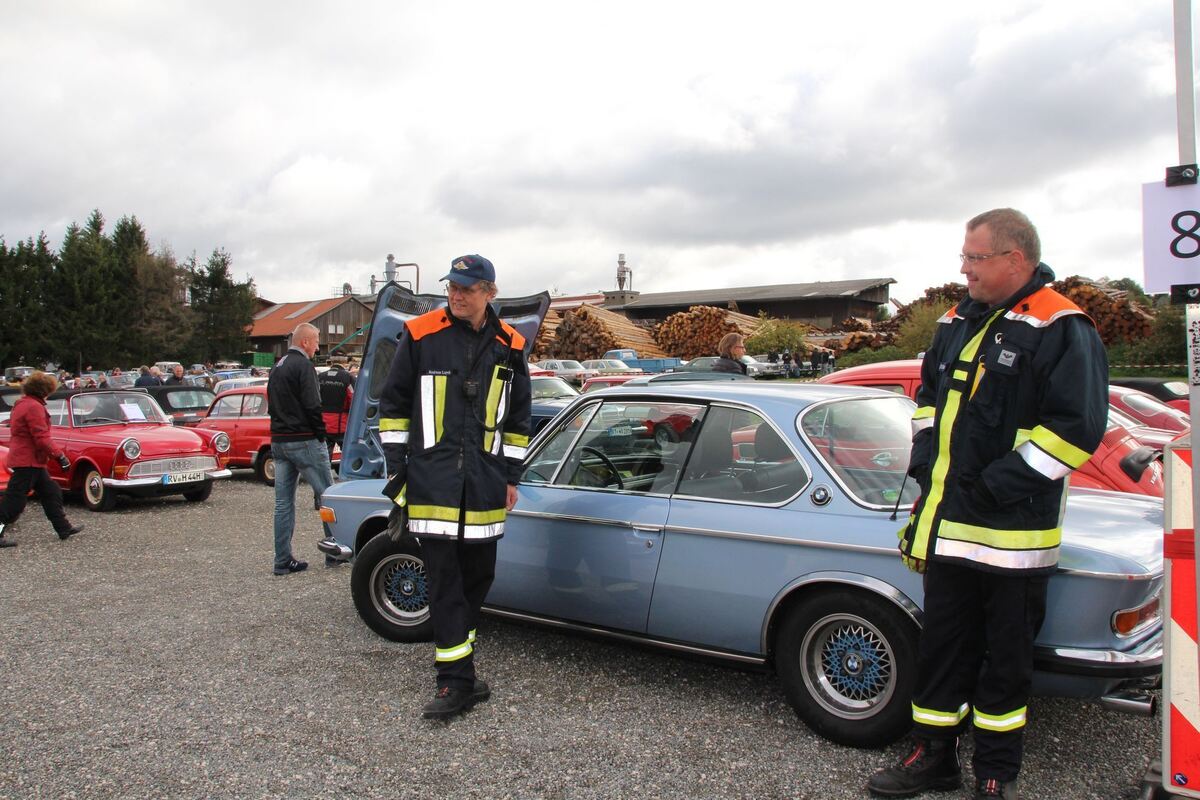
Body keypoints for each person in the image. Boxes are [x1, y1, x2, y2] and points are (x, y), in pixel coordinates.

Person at [867, 209, 1107, 800]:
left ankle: (995, 775)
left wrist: (995, 487)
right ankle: (933, 760)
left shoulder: (1061, 326)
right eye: (964, 257)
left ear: (1014, 260)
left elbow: (1075, 431)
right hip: (949, 532)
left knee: (1005, 665)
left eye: (975, 258)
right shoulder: (956, 320)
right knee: (942, 651)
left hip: (1012, 540)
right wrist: (923, 451)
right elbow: (926, 398)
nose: (964, 269)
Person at [378, 254, 531, 720]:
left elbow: (518, 419)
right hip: (433, 483)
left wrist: (511, 476)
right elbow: (393, 406)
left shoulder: (511, 344)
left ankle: (462, 665)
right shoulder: (422, 333)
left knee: (477, 579)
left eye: (467, 288)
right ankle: (454, 682)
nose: (457, 295)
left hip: (484, 484)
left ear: (490, 292)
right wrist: (398, 471)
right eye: (452, 287)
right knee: (444, 582)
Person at [267, 323, 338, 575]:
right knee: (329, 498)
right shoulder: (304, 366)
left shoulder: (278, 366)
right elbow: (312, 404)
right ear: (305, 342)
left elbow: (271, 404)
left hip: (280, 441)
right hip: (305, 439)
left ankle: (282, 560)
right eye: (317, 341)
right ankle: (335, 552)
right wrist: (321, 435)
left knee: (283, 503)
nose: (318, 346)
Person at [0, 371, 83, 547]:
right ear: (44, 390)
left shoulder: (22, 403)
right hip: (28, 461)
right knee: (14, 502)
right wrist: (60, 456)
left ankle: (63, 528)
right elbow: (41, 436)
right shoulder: (33, 407)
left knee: (51, 492)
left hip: (29, 460)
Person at [318, 361, 356, 462]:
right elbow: (353, 399)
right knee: (349, 457)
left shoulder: (319, 377)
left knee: (324, 457)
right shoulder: (347, 378)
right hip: (342, 425)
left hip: (323, 424)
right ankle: (347, 477)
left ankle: (325, 476)